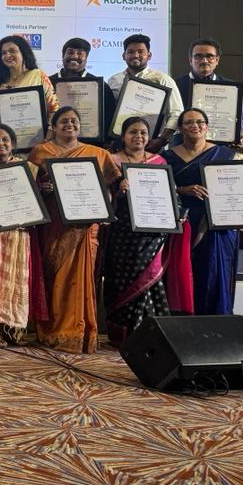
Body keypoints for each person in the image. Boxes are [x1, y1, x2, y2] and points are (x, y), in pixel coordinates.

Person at [28, 106, 122, 353]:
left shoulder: (98, 154)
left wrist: (104, 208)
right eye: (63, 121)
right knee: (54, 272)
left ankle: (80, 332)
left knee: (83, 276)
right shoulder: (40, 152)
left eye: (74, 121)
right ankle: (52, 330)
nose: (69, 124)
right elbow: (29, 187)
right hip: (53, 223)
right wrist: (43, 189)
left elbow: (110, 189)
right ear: (54, 127)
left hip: (86, 223)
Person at [102, 116, 182, 344]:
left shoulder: (159, 161)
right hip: (122, 233)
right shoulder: (111, 161)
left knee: (151, 281)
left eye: (143, 133)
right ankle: (122, 334)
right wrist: (119, 192)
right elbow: (102, 199)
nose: (138, 137)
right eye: (133, 132)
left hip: (152, 234)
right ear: (123, 136)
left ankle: (148, 334)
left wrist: (176, 214)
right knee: (121, 280)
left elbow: (171, 195)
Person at [0, 124, 47, 345]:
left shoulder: (28, 169)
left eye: (5, 139)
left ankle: (12, 329)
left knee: (16, 278)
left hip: (18, 231)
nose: (0, 144)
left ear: (13, 143)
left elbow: (35, 200)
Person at [166, 107, 243, 316]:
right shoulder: (167, 157)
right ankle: (183, 322)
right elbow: (161, 188)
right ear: (180, 128)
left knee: (214, 272)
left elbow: (241, 186)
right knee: (185, 274)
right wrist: (183, 190)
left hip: (217, 225)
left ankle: (216, 323)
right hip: (182, 224)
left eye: (200, 122)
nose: (195, 126)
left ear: (207, 127)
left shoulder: (227, 155)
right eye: (189, 122)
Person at [106, 34, 183, 140]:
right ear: (124, 56)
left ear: (149, 55)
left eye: (141, 51)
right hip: (119, 141)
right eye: (130, 52)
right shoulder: (114, 80)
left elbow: (176, 113)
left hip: (152, 142)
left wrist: (161, 141)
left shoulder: (162, 80)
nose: (135, 55)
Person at [175, 37, 243, 145]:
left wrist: (237, 132)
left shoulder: (231, 88)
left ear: (217, 60)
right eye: (198, 56)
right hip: (183, 146)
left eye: (210, 56)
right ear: (190, 60)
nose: (204, 61)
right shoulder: (175, 85)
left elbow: (241, 116)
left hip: (220, 145)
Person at [52, 37, 117, 141]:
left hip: (91, 144)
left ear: (86, 58)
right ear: (63, 56)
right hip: (55, 143)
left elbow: (110, 118)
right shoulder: (48, 83)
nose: (74, 56)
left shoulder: (101, 87)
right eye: (70, 52)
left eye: (79, 53)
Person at [0, 34, 59, 127]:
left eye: (12, 51)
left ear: (23, 53)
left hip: (37, 133)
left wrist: (50, 131)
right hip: (6, 134)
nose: (7, 55)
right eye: (4, 53)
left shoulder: (38, 76)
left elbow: (54, 108)